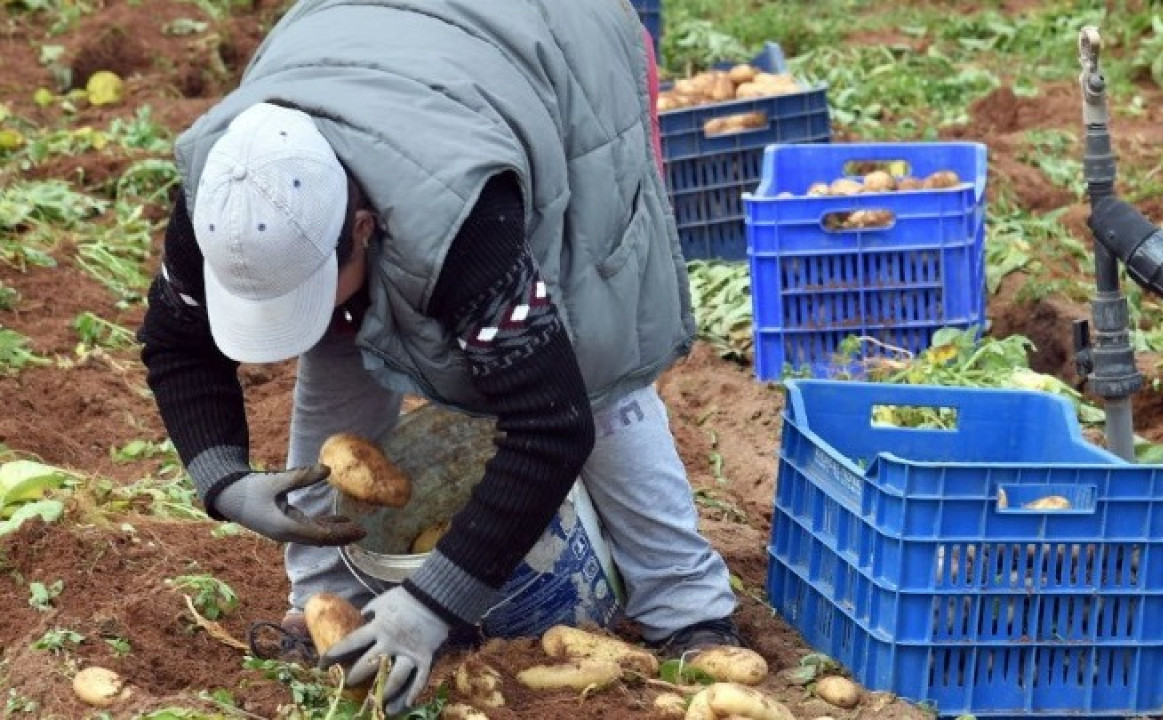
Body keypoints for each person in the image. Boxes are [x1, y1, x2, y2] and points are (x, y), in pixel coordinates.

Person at [136, 0, 741, 713]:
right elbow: (175, 343)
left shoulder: (464, 217)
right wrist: (224, 480)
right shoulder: (227, 196)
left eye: (308, 289)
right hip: (384, 49)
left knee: (595, 362)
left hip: (556, 43)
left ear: (363, 228)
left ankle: (687, 605)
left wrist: (432, 604)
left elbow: (553, 423)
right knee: (342, 337)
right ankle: (324, 598)